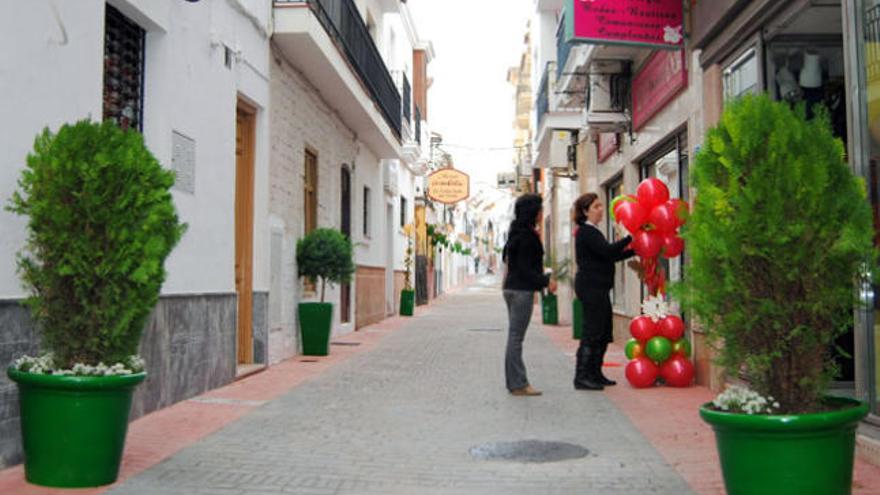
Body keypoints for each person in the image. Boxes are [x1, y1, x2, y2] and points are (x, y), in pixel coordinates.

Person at [572, 193, 634, 390]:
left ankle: (595, 373)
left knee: (604, 331)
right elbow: (607, 251)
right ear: (585, 211)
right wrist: (631, 238)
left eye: (601, 206)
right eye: (596, 206)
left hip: (599, 288)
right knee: (592, 331)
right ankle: (582, 376)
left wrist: (633, 250)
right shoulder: (586, 232)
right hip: (591, 288)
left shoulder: (594, 231)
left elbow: (607, 257)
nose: (600, 210)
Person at [502, 194, 557, 396]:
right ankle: (518, 384)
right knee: (516, 338)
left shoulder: (515, 233)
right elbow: (525, 269)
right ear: (533, 212)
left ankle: (515, 382)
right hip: (521, 291)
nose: (542, 213)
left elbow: (509, 261)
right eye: (539, 210)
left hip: (511, 289)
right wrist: (545, 281)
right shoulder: (527, 236)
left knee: (514, 337)